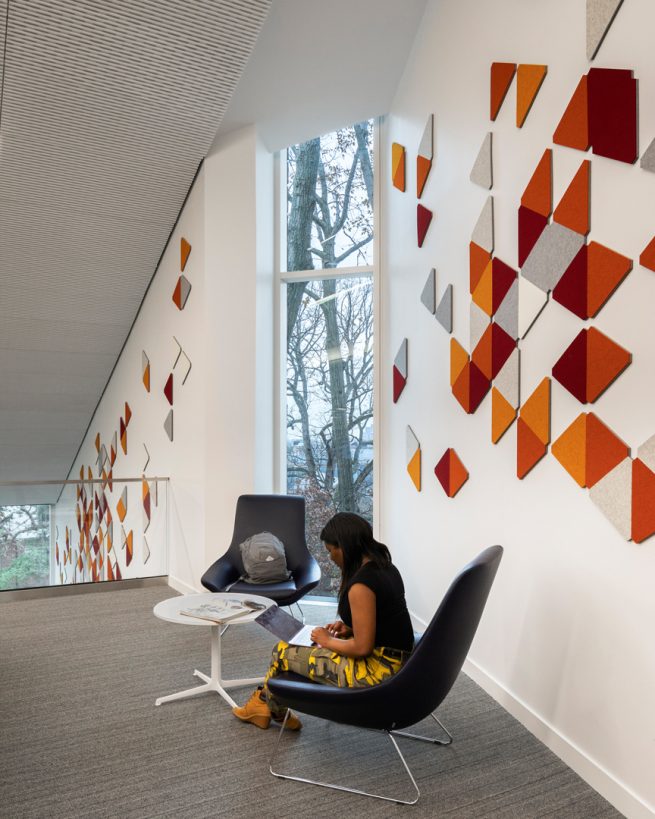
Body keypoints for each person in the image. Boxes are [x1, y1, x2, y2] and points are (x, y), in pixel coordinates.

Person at [233, 512, 415, 730]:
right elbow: (386, 618)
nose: (330, 558)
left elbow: (362, 648)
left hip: (376, 672)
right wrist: (350, 627)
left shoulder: (360, 586)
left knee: (281, 652)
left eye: (331, 551)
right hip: (400, 662)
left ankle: (269, 709)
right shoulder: (386, 567)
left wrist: (327, 640)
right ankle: (266, 705)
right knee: (293, 648)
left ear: (344, 547)